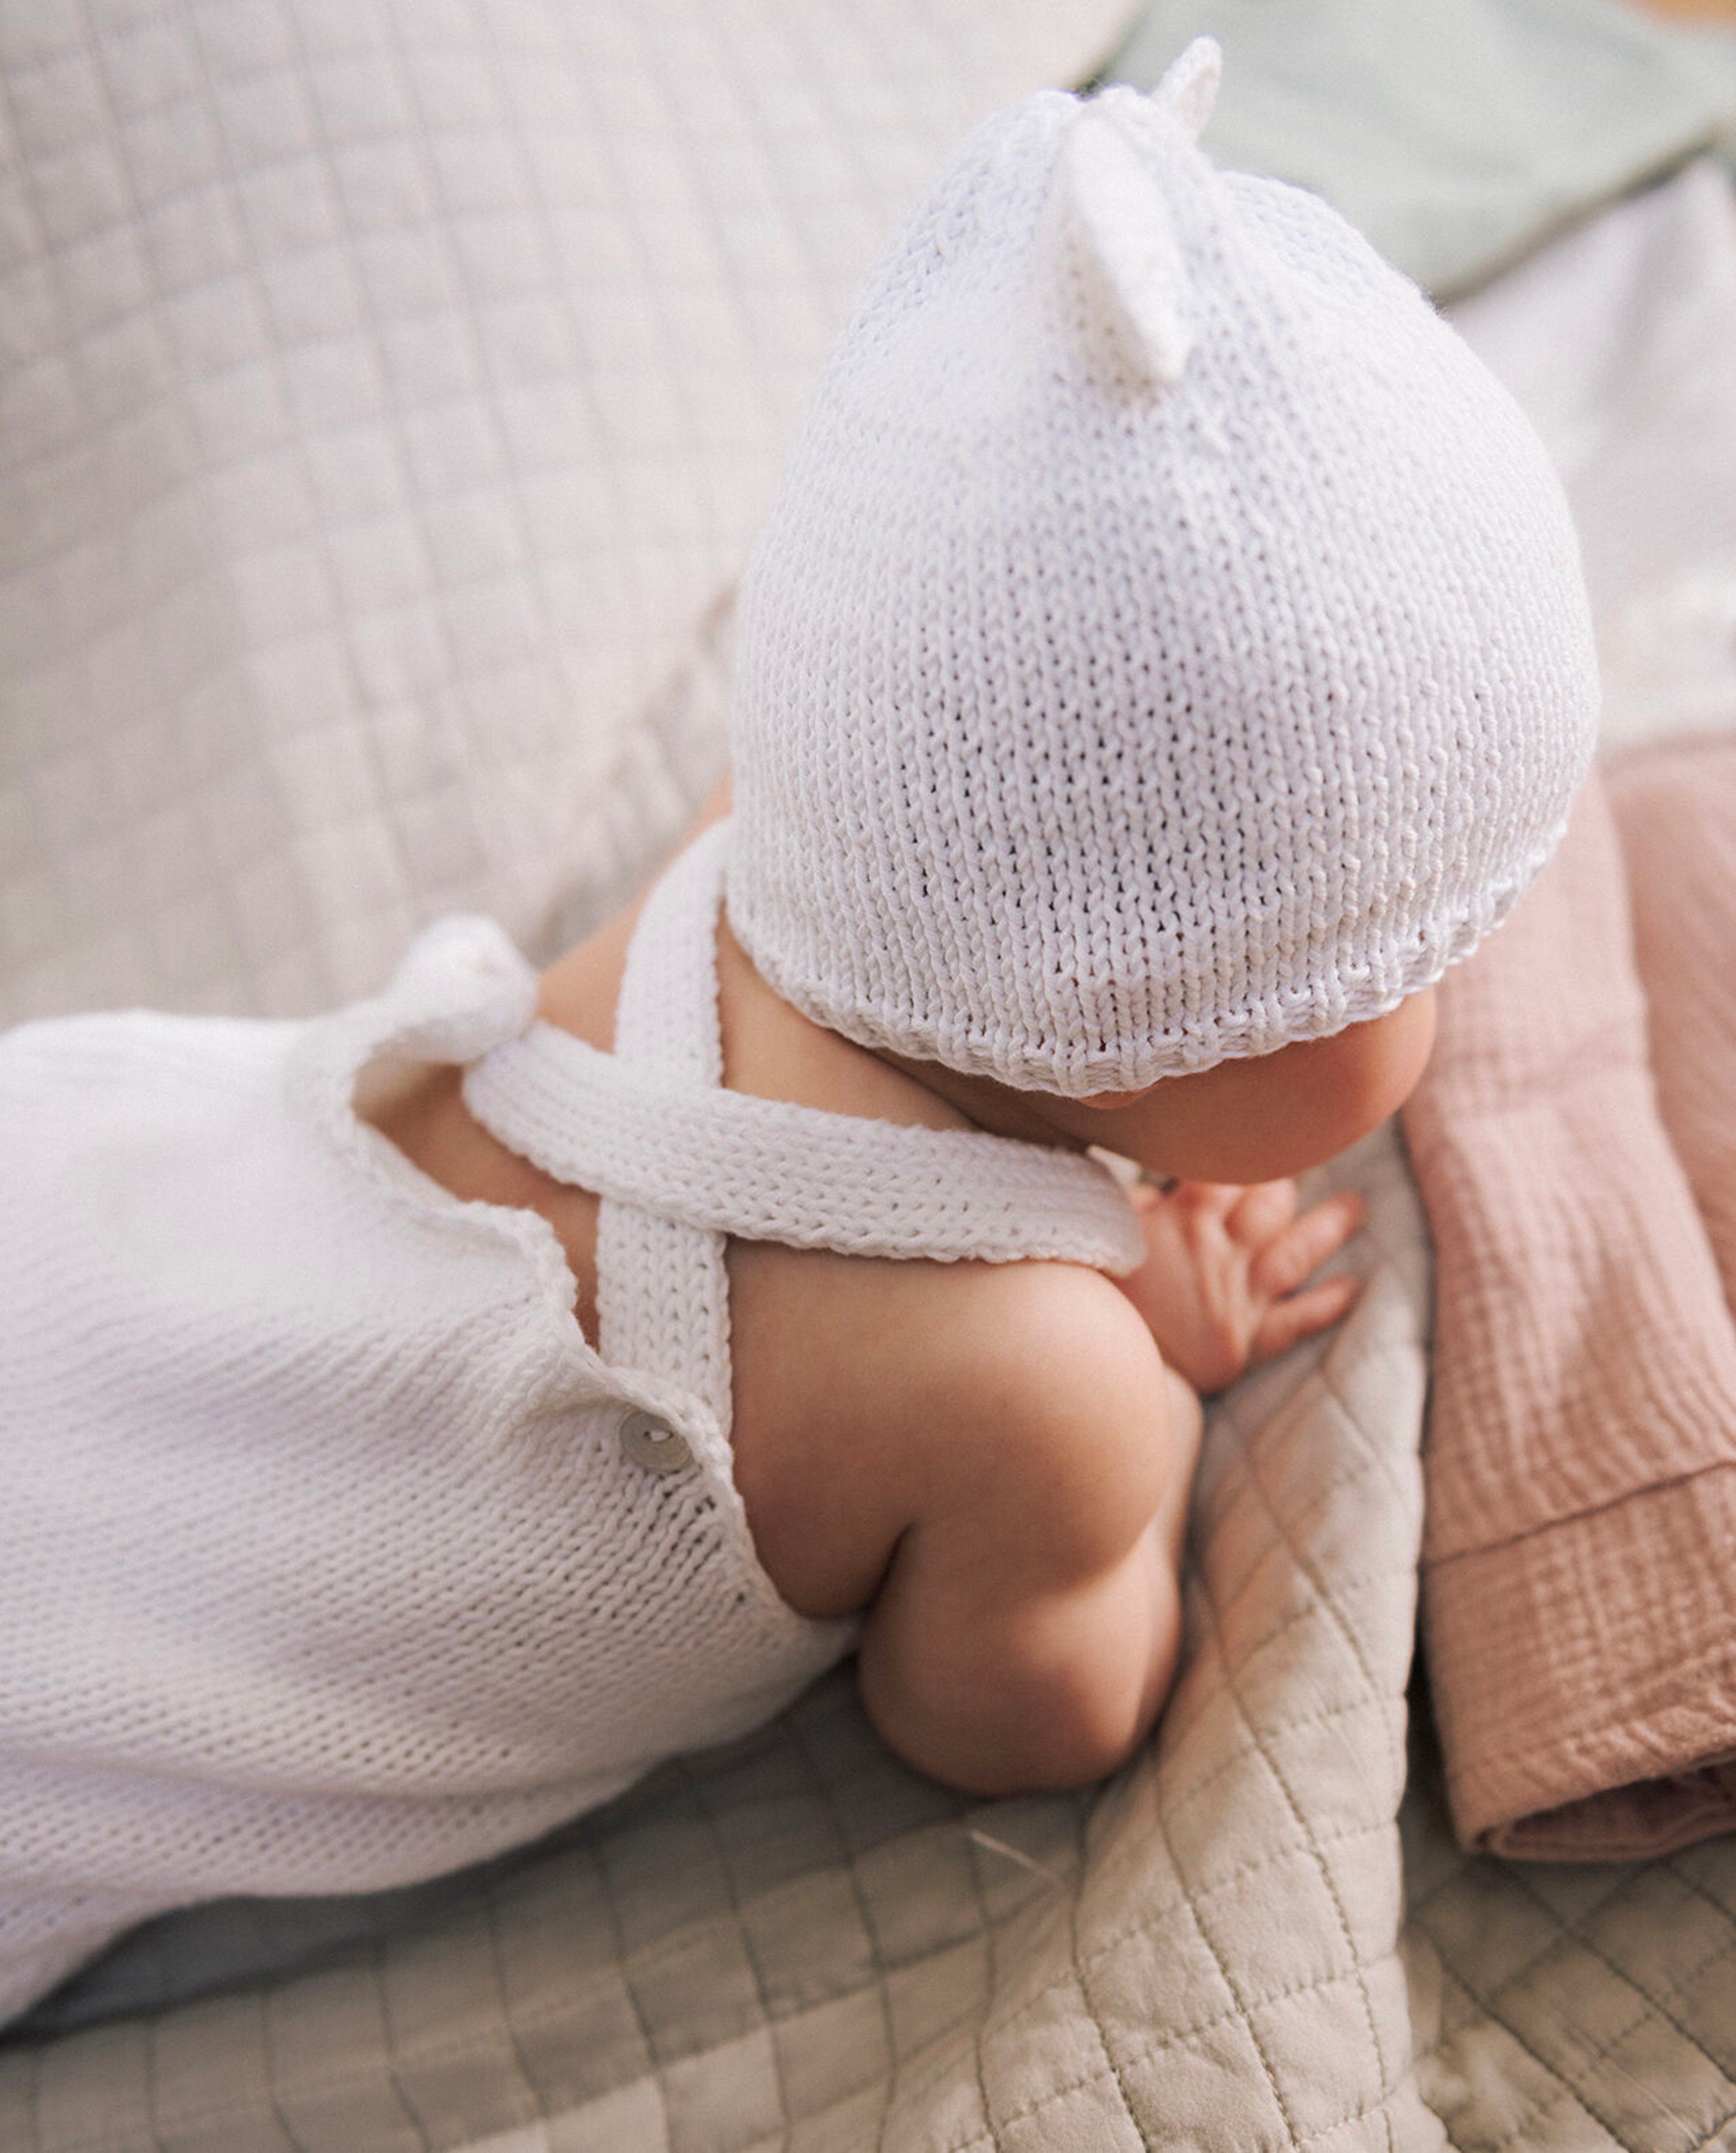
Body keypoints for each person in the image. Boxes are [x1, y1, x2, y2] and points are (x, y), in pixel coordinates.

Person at [0, 38, 1597, 2020]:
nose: (1471, 971)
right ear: (1163, 1013)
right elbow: (1022, 1720)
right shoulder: (1045, 1385)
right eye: (1412, 954)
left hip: (102, 1227)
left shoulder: (751, 843)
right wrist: (1143, 1378)